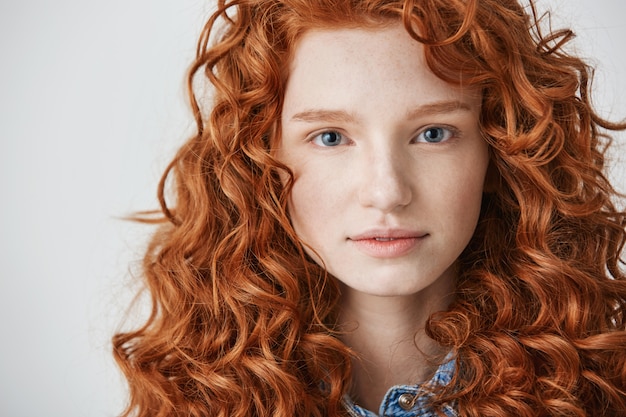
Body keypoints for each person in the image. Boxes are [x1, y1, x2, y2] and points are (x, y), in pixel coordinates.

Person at [112, 0, 626, 415]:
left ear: (499, 152)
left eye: (433, 133)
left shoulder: (602, 388)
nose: (386, 192)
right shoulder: (195, 399)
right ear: (261, 159)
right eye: (331, 137)